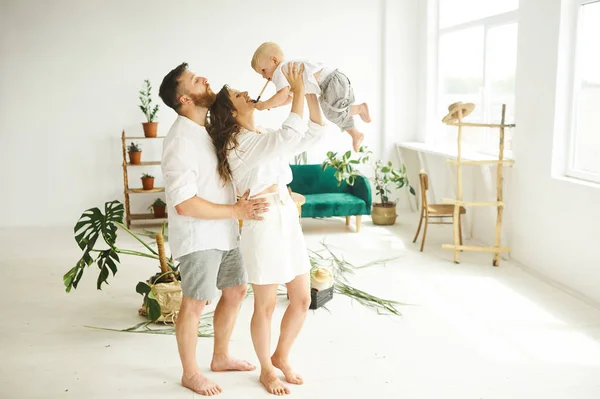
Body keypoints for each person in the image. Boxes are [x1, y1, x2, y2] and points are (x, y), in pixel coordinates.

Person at [207, 63, 327, 395]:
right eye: (237, 95)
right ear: (230, 111)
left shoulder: (261, 136)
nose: (247, 93)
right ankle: (266, 369)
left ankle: (281, 355)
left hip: (286, 215)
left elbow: (313, 133)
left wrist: (311, 92)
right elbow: (290, 133)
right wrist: (297, 91)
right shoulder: (238, 144)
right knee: (267, 305)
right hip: (261, 223)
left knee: (302, 298)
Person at [158, 62, 269, 397]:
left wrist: (238, 198)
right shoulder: (180, 140)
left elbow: (211, 182)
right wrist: (235, 210)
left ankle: (220, 357)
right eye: (194, 80)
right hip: (198, 237)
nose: (204, 79)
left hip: (224, 231)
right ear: (184, 100)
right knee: (195, 303)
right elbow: (184, 204)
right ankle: (190, 373)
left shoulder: (204, 130)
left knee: (235, 290)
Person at [250, 41, 371, 152]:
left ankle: (360, 109)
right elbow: (288, 98)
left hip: (330, 83)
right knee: (333, 112)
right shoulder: (289, 70)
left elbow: (281, 95)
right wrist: (274, 104)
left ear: (274, 60)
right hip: (334, 80)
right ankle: (355, 134)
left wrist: (265, 104)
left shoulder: (280, 71)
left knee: (332, 113)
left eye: (263, 71)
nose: (263, 76)